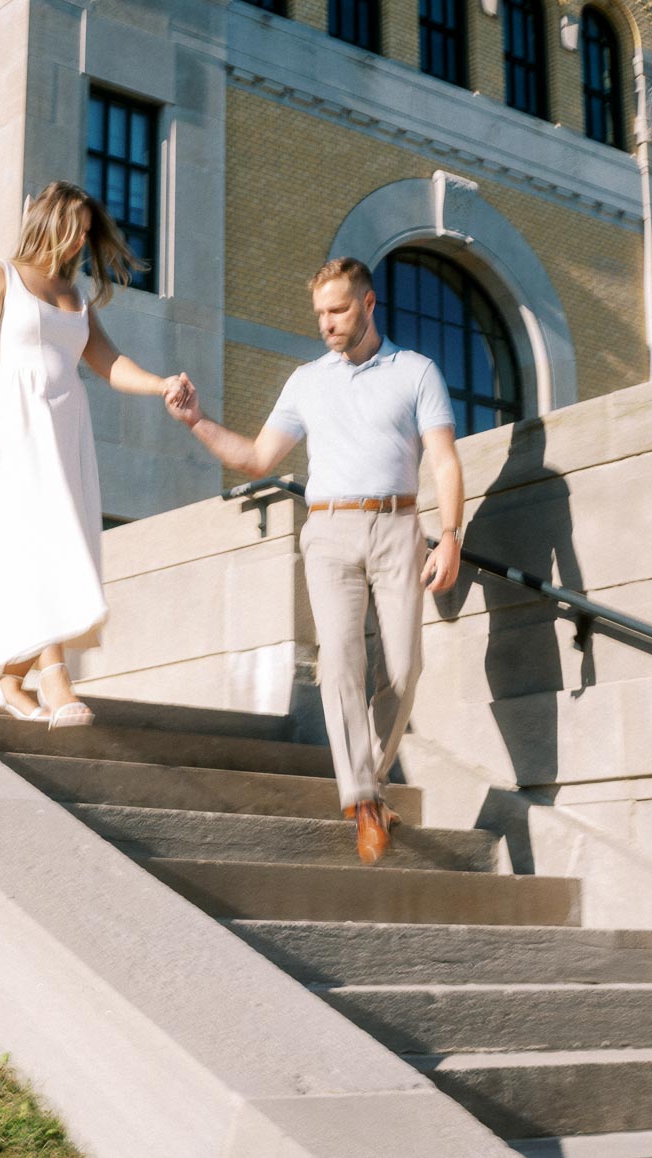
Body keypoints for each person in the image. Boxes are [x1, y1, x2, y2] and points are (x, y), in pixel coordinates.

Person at [166, 257, 463, 863]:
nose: (326, 323)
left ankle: (370, 786)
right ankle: (361, 800)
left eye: (338, 310)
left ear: (369, 303)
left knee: (404, 670)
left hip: (399, 525)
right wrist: (196, 422)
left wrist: (452, 533)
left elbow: (445, 459)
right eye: (320, 313)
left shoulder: (416, 372)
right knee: (341, 661)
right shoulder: (306, 381)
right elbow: (256, 458)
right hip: (327, 532)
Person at [0, 180, 187, 727]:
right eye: (75, 226)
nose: (82, 238)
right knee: (42, 539)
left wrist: (160, 384)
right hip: (14, 424)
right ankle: (55, 677)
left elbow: (109, 363)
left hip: (64, 426)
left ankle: (10, 684)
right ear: (48, 221)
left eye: (87, 229)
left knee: (62, 538)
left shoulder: (75, 296)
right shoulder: (2, 276)